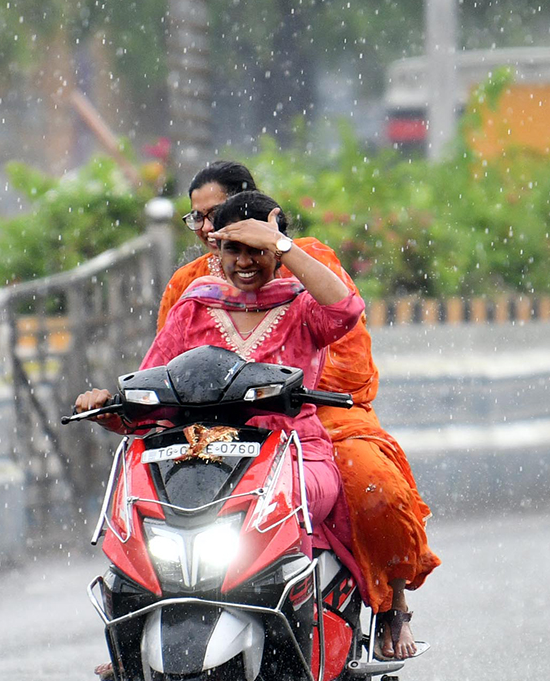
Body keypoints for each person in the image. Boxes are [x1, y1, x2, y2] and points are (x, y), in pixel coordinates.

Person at [156, 161, 441, 661]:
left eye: (213, 216)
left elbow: (348, 355)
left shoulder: (306, 273)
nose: (205, 229)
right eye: (197, 220)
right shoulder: (191, 291)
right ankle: (145, 619)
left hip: (314, 418)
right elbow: (165, 369)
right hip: (216, 434)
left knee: (372, 484)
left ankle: (388, 604)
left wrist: (284, 390)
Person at [76, 190, 365, 559]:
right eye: (233, 249)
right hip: (198, 463)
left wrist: (281, 241)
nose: (244, 261)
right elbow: (152, 393)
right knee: (136, 515)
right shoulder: (194, 306)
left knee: (277, 505)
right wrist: (108, 408)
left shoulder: (301, 306)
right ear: (217, 251)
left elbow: (346, 309)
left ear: (276, 253)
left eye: (256, 250)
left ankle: (297, 610)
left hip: (293, 459)